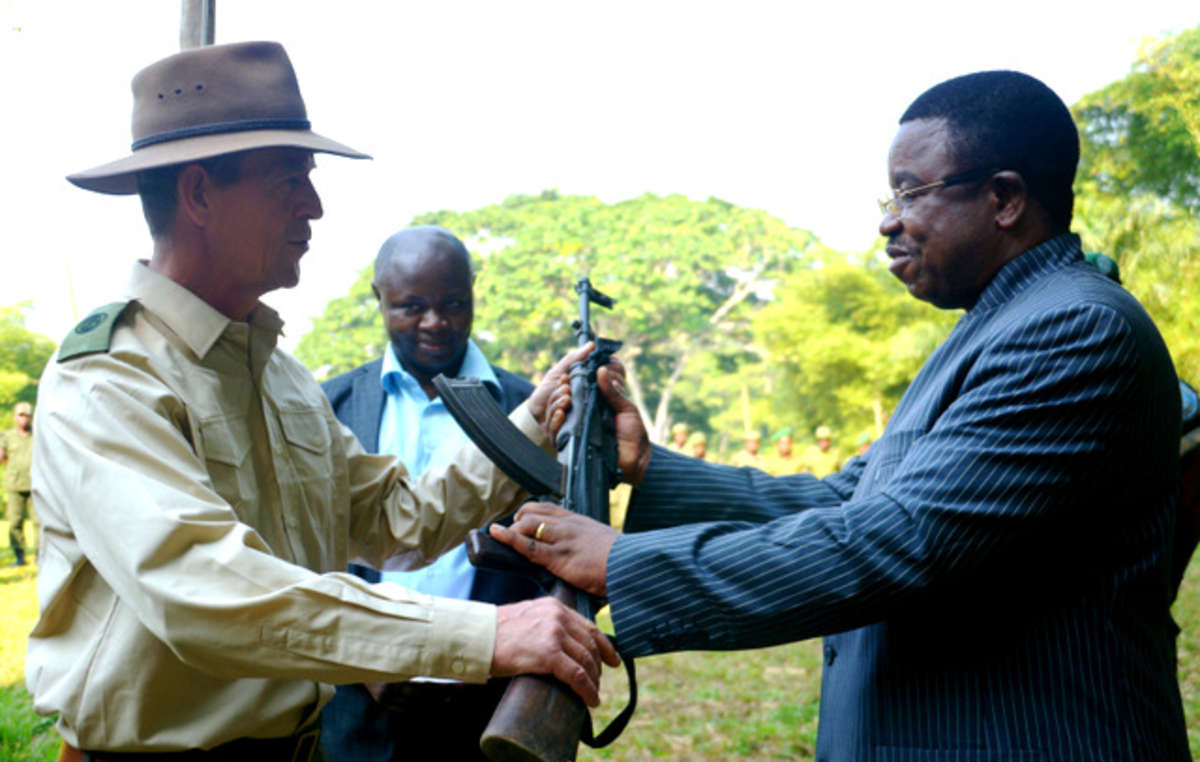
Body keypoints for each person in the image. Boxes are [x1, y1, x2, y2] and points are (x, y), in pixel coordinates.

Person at [493, 70, 1189, 759]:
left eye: (911, 192)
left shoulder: (1073, 329)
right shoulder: (996, 326)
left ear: (1004, 198)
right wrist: (646, 467)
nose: (889, 220)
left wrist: (624, 563)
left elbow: (897, 540)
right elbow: (845, 499)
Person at [29, 41, 616, 759]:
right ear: (198, 194)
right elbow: (205, 590)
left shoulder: (281, 377)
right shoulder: (109, 377)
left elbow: (397, 518)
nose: (316, 205)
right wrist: (485, 635)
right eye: (290, 180)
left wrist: (533, 415)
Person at [318, 226, 540, 761]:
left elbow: (564, 556)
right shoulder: (327, 407)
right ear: (379, 299)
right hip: (357, 711)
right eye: (411, 306)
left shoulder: (533, 415)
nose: (435, 322)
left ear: (473, 294)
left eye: (453, 304)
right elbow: (309, 551)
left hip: (490, 705)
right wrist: (363, 658)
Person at [0, 402, 35, 566]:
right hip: (14, 485)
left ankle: (40, 556)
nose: (24, 418)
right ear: (15, 418)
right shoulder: (7, 436)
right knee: (14, 522)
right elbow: (2, 457)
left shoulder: (38, 434)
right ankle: (20, 556)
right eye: (21, 415)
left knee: (40, 523)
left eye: (27, 415)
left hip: (35, 485)